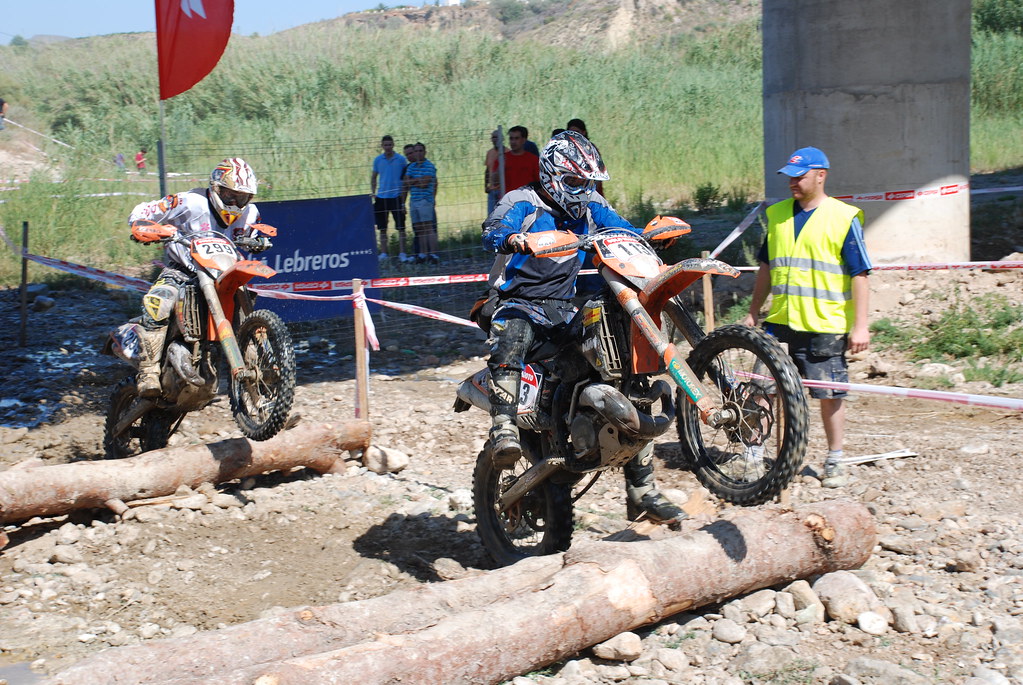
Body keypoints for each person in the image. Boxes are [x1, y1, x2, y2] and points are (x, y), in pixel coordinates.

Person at [482, 130, 684, 525]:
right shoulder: (522, 201)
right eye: (575, 181)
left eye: (588, 182)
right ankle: (503, 429)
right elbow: (492, 231)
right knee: (515, 333)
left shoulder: (591, 205)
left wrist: (649, 237)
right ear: (553, 175)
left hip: (562, 310)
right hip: (517, 302)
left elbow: (621, 230)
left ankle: (641, 489)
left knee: (621, 364)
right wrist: (518, 239)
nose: (583, 189)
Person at [741, 146, 872, 487]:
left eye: (799, 177)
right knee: (760, 388)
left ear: (820, 176)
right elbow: (766, 268)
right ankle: (753, 452)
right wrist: (754, 312)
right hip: (781, 319)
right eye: (790, 177)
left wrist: (860, 326)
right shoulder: (779, 214)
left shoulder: (843, 218)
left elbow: (860, 275)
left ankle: (835, 459)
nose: (792, 183)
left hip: (824, 323)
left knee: (830, 394)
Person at [127, 158, 269, 397]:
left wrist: (258, 240)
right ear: (216, 188)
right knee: (158, 302)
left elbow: (254, 233)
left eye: (241, 198)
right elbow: (142, 212)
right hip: (182, 270)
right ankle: (148, 372)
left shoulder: (251, 213)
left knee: (248, 305)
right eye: (229, 195)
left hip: (222, 273)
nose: (234, 203)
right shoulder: (189, 201)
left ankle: (264, 376)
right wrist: (149, 228)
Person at [370, 135, 409, 263]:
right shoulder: (378, 160)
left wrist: (403, 197)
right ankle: (384, 253)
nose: (388, 147)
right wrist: (373, 192)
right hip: (381, 197)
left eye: (390, 144)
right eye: (385, 145)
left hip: (396, 197)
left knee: (401, 227)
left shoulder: (401, 160)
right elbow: (374, 177)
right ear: (382, 146)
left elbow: (406, 179)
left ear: (393, 145)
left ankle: (402, 253)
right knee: (382, 227)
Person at [405, 141, 439, 263]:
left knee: (428, 227)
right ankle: (423, 253)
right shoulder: (411, 167)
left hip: (425, 200)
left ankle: (434, 254)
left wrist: (414, 181)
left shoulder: (429, 166)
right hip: (414, 200)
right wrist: (418, 180)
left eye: (420, 150)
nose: (418, 153)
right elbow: (407, 183)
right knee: (419, 228)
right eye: (416, 151)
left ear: (424, 152)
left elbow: (425, 183)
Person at [490, 125, 539, 198]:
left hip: (527, 201)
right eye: (511, 138)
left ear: (524, 140)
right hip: (507, 201)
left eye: (516, 138)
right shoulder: (502, 158)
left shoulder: (533, 160)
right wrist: (501, 165)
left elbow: (539, 182)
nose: (513, 142)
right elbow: (494, 181)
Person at [566, 119, 603, 196]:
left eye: (577, 132)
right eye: (571, 133)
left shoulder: (591, 150)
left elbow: (598, 175)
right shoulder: (566, 150)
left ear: (583, 132)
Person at [484, 130, 508, 215]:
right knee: (491, 214)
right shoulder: (489, 153)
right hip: (492, 189)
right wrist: (486, 185)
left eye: (497, 137)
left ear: (502, 139)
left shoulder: (508, 153)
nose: (495, 139)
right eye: (493, 137)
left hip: (503, 189)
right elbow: (487, 170)